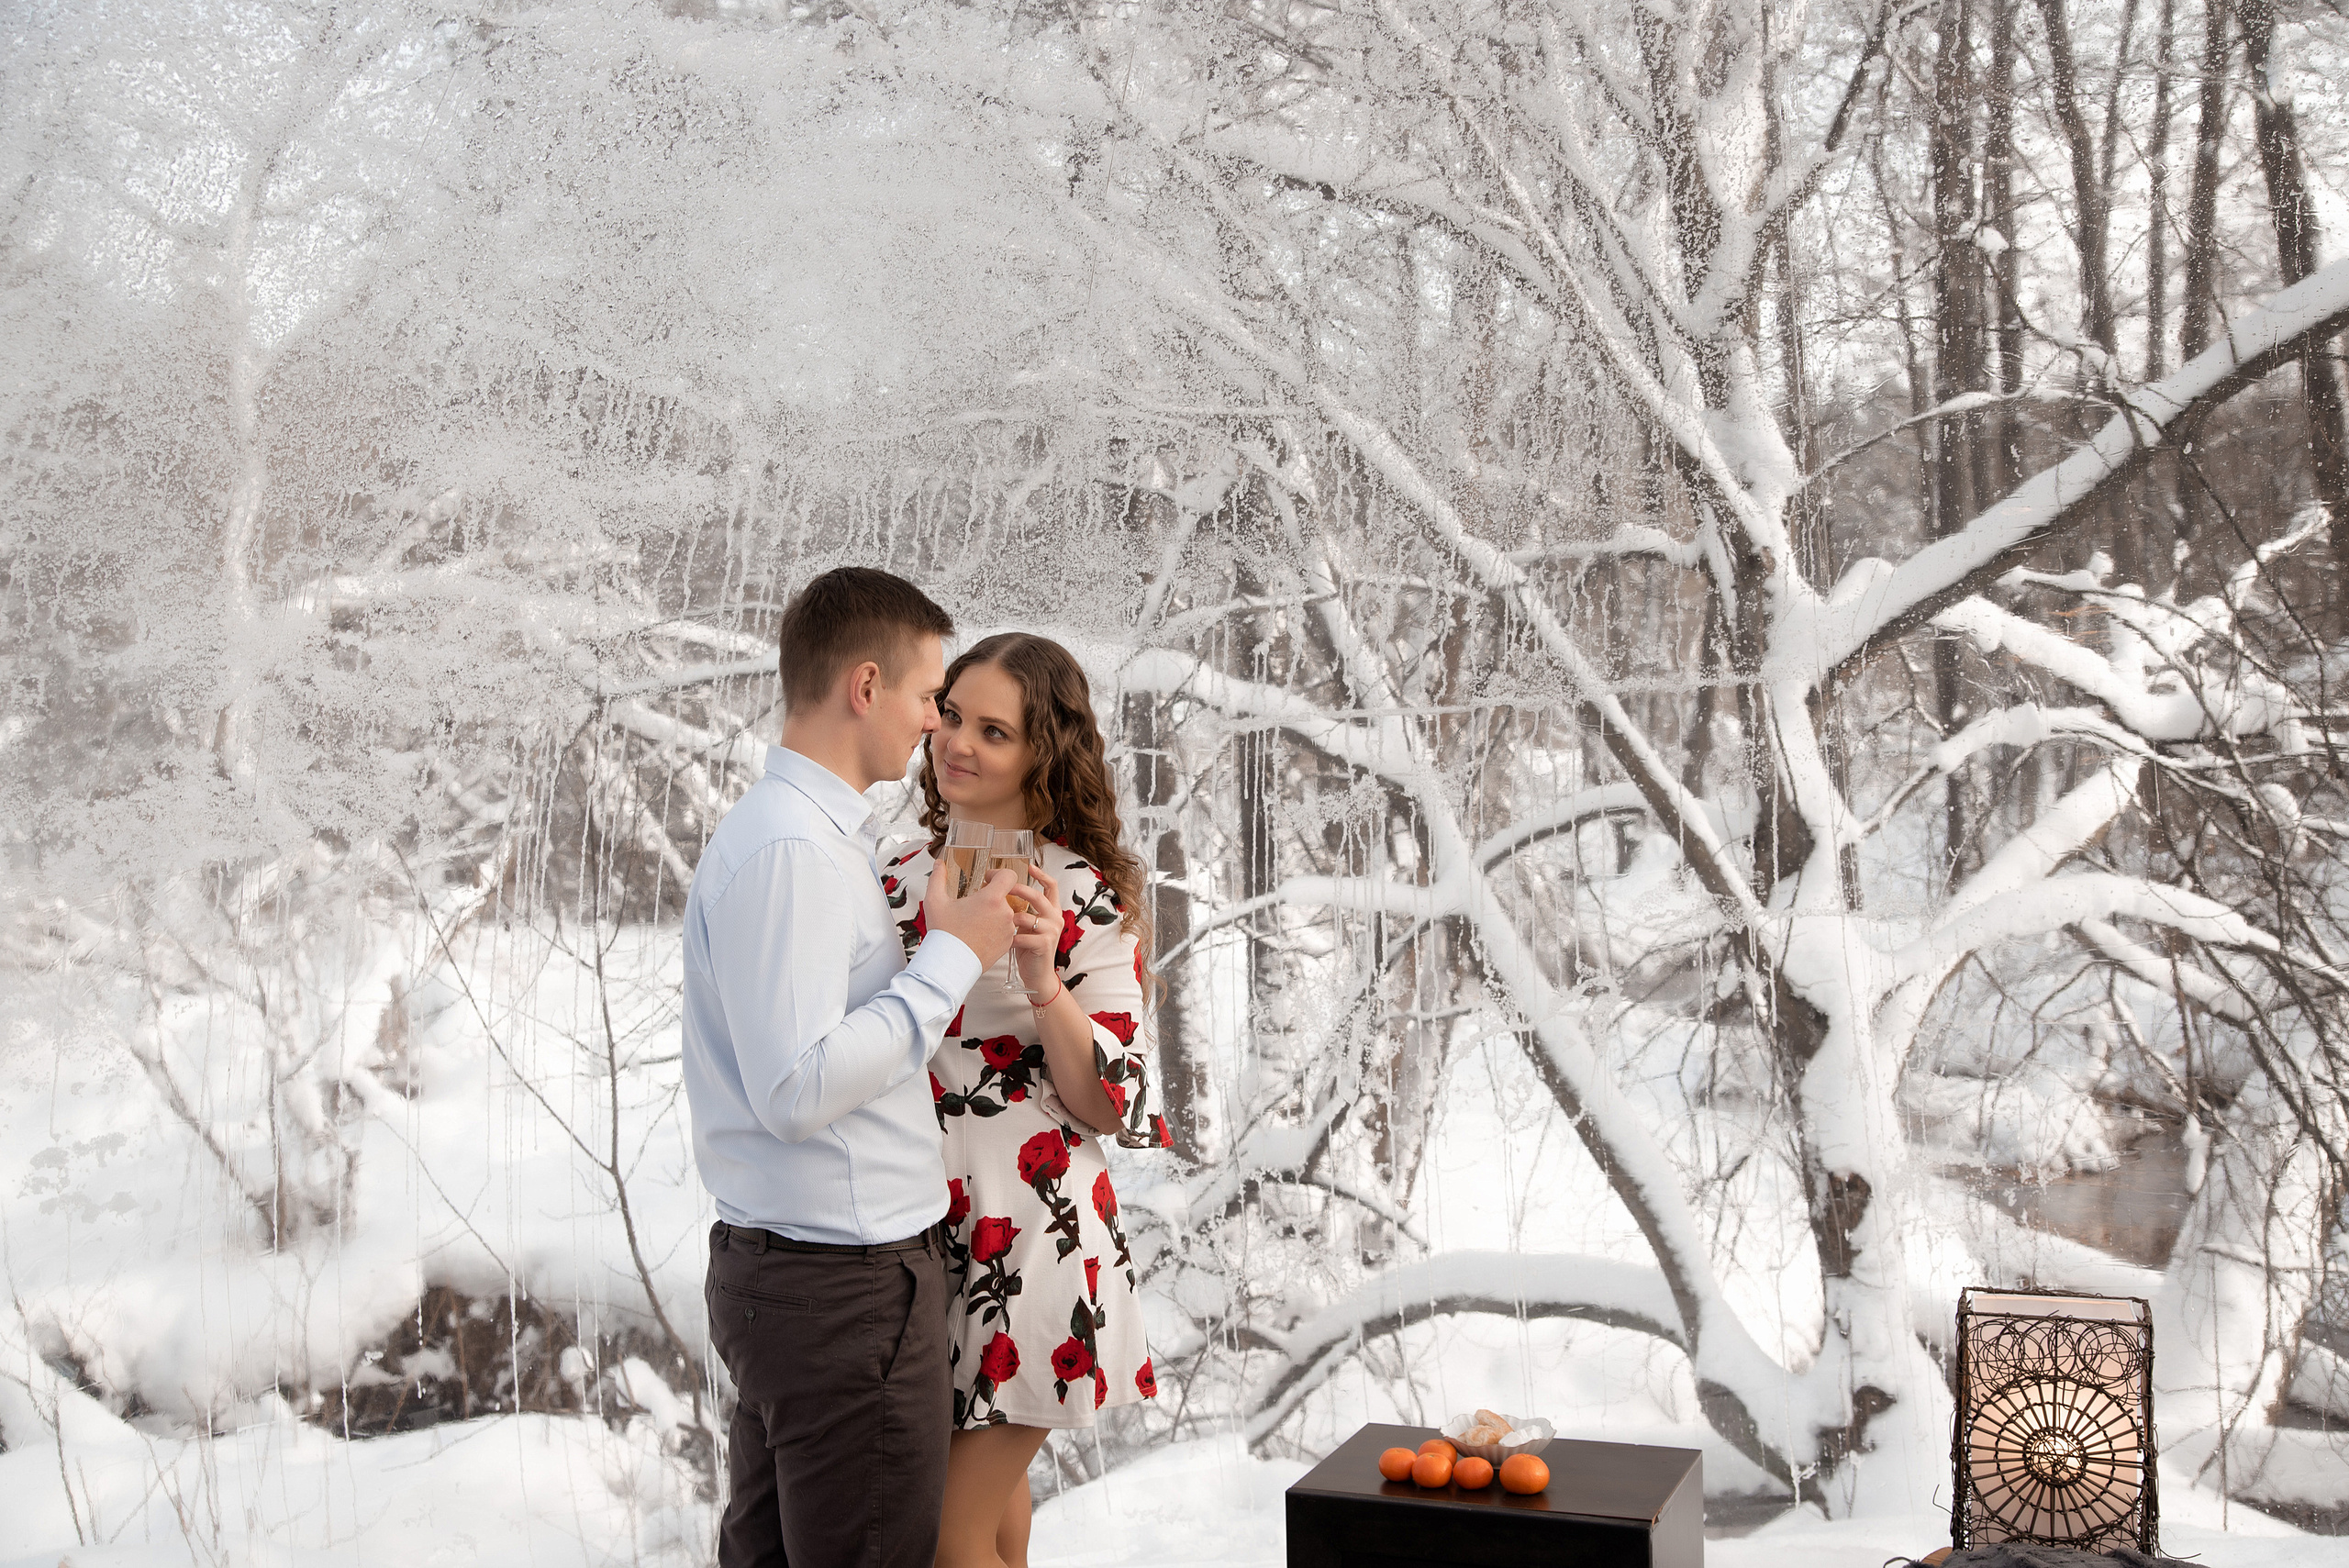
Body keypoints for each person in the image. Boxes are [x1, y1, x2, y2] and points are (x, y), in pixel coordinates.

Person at [680, 568, 1041, 1568]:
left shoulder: (807, 839)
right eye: (929, 696)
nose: (934, 723)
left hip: (804, 1281)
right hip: (841, 1291)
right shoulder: (792, 852)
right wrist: (951, 958)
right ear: (866, 685)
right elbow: (795, 1088)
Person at [879, 632, 1174, 1568]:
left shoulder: (1082, 895)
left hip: (1037, 1230)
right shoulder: (891, 876)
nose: (957, 742)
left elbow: (1108, 1105)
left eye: (993, 730)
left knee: (945, 1535)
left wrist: (1044, 978)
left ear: (1043, 750)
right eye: (951, 715)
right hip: (919, 1230)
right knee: (998, 1528)